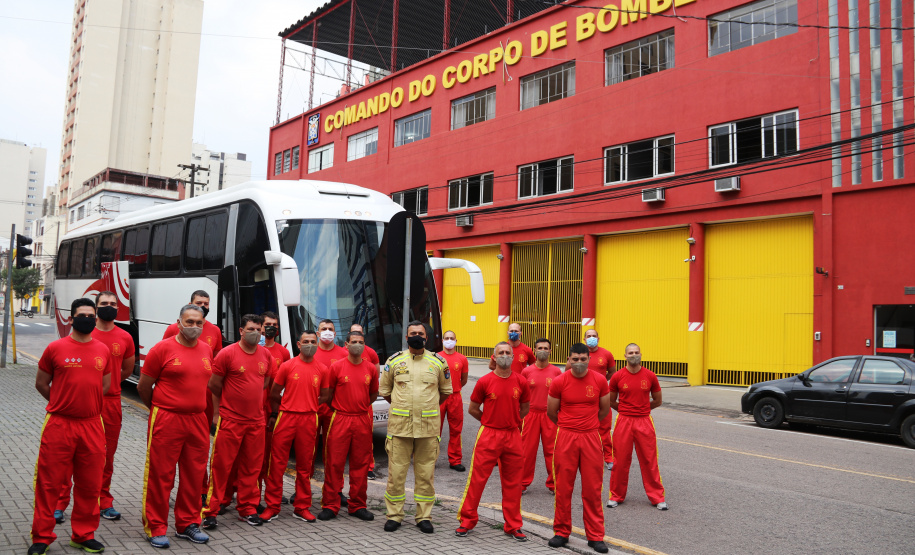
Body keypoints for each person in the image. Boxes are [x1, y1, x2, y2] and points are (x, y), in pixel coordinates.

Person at [29, 298, 114, 555]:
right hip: (59, 424)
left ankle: (83, 534)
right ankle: (42, 537)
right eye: (82, 315)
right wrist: (61, 403)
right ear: (72, 317)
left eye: (91, 315)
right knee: (49, 483)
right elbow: (42, 383)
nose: (87, 319)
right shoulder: (55, 348)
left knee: (90, 484)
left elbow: (105, 386)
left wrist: (85, 404)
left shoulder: (102, 350)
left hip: (91, 425)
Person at [56, 291, 136, 523]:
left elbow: (127, 369)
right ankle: (60, 503)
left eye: (113, 304)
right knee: (70, 456)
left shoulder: (125, 337)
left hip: (110, 404)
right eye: (104, 304)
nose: (109, 307)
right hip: (83, 406)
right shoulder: (85, 332)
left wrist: (108, 385)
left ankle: (104, 501)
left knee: (105, 457)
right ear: (96, 307)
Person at [138, 304, 214, 548]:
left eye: (198, 323)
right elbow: (143, 386)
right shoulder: (162, 349)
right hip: (167, 418)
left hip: (197, 420)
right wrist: (160, 410)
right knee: (161, 475)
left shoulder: (206, 349)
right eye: (189, 322)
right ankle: (156, 526)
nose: (194, 327)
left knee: (194, 475)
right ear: (178, 323)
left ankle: (188, 524)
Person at [379, 321, 452, 534]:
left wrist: (425, 407)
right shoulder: (393, 361)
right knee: (396, 474)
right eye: (413, 333)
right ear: (406, 337)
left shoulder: (438, 362)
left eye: (420, 333)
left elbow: (445, 391)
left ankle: (424, 517)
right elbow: (386, 391)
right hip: (400, 427)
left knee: (425, 475)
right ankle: (394, 516)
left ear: (426, 337)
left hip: (428, 429)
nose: (417, 336)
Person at [203, 314, 274, 529]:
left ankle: (247, 508)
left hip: (256, 421)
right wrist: (222, 409)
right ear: (241, 331)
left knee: (251, 468)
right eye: (251, 329)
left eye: (258, 329)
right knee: (221, 467)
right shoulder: (227, 354)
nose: (256, 333)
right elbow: (214, 385)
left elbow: (265, 381)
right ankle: (211, 511)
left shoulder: (266, 355)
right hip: (231, 420)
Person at [456, 342, 530, 542]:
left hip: (512, 435)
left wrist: (512, 422)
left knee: (514, 483)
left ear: (513, 357)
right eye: (501, 353)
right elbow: (472, 408)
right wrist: (489, 421)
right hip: (488, 435)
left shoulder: (521, 381)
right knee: (477, 479)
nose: (505, 356)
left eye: (508, 353)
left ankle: (513, 525)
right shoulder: (485, 381)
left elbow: (525, 408)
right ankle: (467, 520)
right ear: (494, 357)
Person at [546, 343, 611, 554]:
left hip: (591, 437)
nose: (579, 363)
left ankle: (595, 536)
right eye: (575, 359)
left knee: (592, 489)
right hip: (566, 436)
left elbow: (603, 410)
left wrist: (587, 425)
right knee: (563, 487)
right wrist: (570, 426)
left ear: (589, 359)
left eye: (583, 359)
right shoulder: (559, 382)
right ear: (569, 359)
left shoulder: (600, 380)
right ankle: (561, 532)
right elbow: (552, 412)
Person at [161, 290, 223, 501]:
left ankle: (201, 490)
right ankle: (165, 491)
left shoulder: (214, 331)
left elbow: (215, 366)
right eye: (199, 303)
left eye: (206, 303)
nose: (203, 306)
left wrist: (215, 407)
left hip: (202, 401)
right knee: (168, 457)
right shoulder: (172, 330)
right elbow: (157, 371)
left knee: (198, 451)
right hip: (173, 408)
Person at [260, 330, 325, 523]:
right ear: (298, 344)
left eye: (313, 341)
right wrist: (286, 407)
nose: (310, 345)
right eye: (306, 341)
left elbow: (327, 395)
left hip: (308, 419)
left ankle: (302, 507)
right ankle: (272, 506)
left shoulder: (322, 368)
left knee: (305, 467)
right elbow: (274, 393)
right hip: (286, 418)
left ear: (317, 343)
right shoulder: (288, 366)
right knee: (277, 464)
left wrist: (309, 403)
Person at [317, 331, 378, 521]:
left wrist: (359, 407)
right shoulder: (336, 367)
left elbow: (373, 395)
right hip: (340, 418)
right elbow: (328, 396)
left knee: (360, 464)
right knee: (334, 463)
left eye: (360, 342)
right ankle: (330, 505)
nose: (357, 345)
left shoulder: (371, 369)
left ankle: (358, 505)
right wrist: (342, 408)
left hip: (361, 419)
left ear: (364, 344)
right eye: (354, 342)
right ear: (346, 344)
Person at [607, 343, 667, 511]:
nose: (634, 355)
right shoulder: (618, 377)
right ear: (625, 356)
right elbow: (611, 401)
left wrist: (642, 410)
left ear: (641, 354)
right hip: (624, 421)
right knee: (620, 460)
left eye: (636, 352)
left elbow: (657, 400)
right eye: (630, 353)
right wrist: (626, 410)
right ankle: (616, 495)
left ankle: (657, 497)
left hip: (644, 421)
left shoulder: (650, 376)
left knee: (649, 460)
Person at [312, 319, 348, 505]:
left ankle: (337, 490)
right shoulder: (311, 351)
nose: (327, 332)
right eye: (323, 329)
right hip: (312, 408)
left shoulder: (343, 354)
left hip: (334, 410)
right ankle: (302, 488)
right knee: (308, 451)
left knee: (334, 453)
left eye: (330, 329)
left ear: (335, 333)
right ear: (317, 334)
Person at [258, 311, 290, 508]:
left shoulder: (283, 353)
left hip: (274, 411)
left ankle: (272, 492)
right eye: (267, 324)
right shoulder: (254, 348)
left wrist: (276, 411)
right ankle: (250, 493)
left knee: (273, 456)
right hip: (255, 409)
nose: (271, 327)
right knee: (255, 457)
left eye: (274, 325)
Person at [520, 338, 561, 494]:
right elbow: (521, 395)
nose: (542, 350)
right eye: (540, 348)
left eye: (546, 348)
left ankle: (553, 484)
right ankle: (523, 483)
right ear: (534, 351)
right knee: (526, 451)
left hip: (549, 415)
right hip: (530, 415)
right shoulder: (527, 371)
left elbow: (560, 396)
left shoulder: (556, 372)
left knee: (552, 451)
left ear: (550, 351)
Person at [351, 323, 380, 480]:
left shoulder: (371, 353)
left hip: (364, 405)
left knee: (367, 438)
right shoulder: (342, 353)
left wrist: (366, 402)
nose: (357, 342)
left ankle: (369, 467)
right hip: (345, 407)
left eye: (360, 335)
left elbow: (374, 380)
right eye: (354, 335)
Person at [585, 329, 616, 470]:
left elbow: (612, 372)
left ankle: (608, 457)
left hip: (602, 397)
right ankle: (587, 456)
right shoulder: (581, 354)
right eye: (589, 336)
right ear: (584, 339)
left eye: (594, 336)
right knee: (584, 428)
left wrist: (601, 382)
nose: (591, 338)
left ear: (598, 338)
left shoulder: (606, 354)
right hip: (583, 397)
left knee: (604, 428)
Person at [438, 330, 469, 472]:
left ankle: (455, 460)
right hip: (439, 397)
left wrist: (454, 389)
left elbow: (464, 380)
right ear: (443, 340)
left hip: (455, 397)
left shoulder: (462, 359)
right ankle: (429, 459)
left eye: (452, 338)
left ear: (456, 341)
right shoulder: (437, 357)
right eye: (446, 338)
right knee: (433, 430)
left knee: (456, 430)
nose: (449, 340)